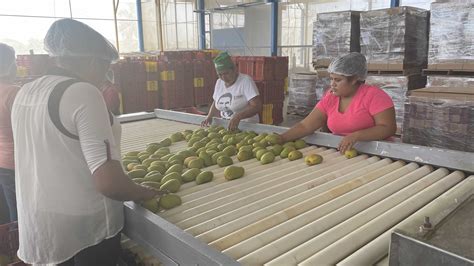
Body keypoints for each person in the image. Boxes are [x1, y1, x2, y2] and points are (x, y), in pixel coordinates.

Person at [11, 19, 159, 265]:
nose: (105, 77)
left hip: (42, 221)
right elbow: (109, 183)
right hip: (86, 230)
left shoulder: (26, 91)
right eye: (105, 67)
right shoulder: (83, 93)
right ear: (93, 60)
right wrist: (143, 192)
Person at [279, 52, 396, 153]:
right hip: (343, 152)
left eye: (338, 80)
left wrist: (356, 136)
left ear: (354, 79)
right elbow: (306, 126)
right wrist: (281, 138)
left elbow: (388, 128)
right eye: (331, 79)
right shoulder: (331, 97)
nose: (332, 84)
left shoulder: (374, 96)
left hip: (378, 154)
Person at [201, 52, 262, 130]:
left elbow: (256, 106)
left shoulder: (245, 81)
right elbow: (215, 101)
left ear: (234, 69)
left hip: (248, 127)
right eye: (220, 74)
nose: (223, 78)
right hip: (227, 126)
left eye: (226, 73)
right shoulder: (219, 82)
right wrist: (209, 117)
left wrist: (238, 116)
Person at [0, 43, 19, 224]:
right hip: (17, 162)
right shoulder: (14, 93)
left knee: (10, 209)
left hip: (2, 161)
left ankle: (14, 248)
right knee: (22, 210)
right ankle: (24, 249)